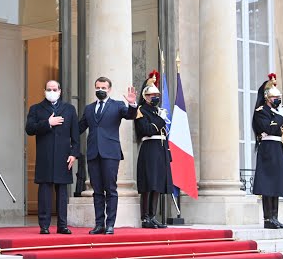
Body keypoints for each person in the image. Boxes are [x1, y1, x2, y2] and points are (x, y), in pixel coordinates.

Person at [79, 76, 137, 235]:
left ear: (109, 89)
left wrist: (132, 104)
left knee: (110, 189)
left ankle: (110, 224)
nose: (100, 90)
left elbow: (130, 115)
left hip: (110, 153)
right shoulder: (89, 108)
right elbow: (80, 128)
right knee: (97, 190)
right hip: (93, 153)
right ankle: (99, 224)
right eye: (98, 88)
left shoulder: (117, 105)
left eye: (104, 88)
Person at [25, 80, 80, 235]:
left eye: (54, 89)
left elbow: (75, 134)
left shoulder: (69, 109)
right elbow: (29, 129)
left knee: (62, 192)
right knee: (44, 191)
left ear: (60, 91)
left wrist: (74, 154)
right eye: (49, 89)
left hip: (64, 156)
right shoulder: (36, 109)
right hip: (45, 156)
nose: (51, 91)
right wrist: (47, 123)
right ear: (44, 91)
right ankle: (44, 225)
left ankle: (62, 225)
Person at [135, 70, 173, 229]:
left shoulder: (158, 111)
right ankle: (145, 218)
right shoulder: (140, 111)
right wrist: (160, 120)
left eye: (156, 95)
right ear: (145, 96)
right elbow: (146, 130)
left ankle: (152, 216)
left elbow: (162, 132)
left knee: (157, 184)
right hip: (149, 148)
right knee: (148, 184)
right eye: (151, 95)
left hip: (161, 149)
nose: (155, 97)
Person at [252, 73, 283, 229]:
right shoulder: (261, 112)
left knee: (276, 185)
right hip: (268, 150)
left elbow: (282, 135)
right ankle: (268, 219)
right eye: (275, 98)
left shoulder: (276, 113)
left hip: (278, 150)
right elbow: (269, 128)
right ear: (267, 98)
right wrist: (280, 118)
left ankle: (275, 217)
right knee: (268, 185)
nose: (277, 100)